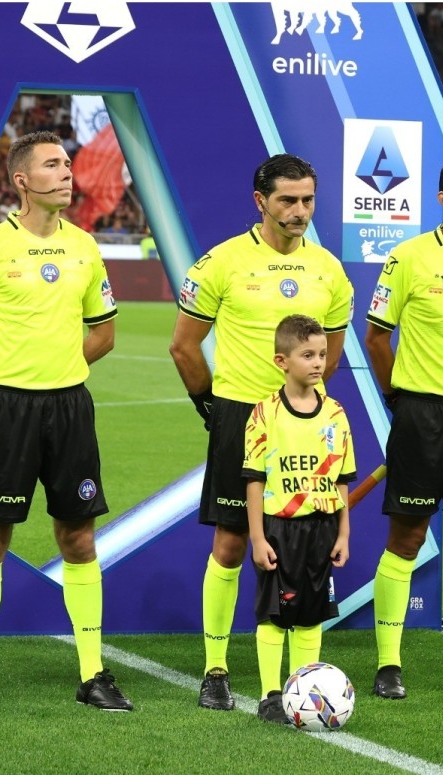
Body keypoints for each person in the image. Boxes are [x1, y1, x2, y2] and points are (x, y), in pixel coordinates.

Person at [0, 130, 132, 712]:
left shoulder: (85, 247)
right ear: (22, 180)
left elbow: (103, 331)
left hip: (70, 406)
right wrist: (15, 368)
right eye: (53, 164)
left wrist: (61, 365)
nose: (68, 171)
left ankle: (94, 674)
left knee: (78, 537)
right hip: (8, 407)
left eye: (68, 162)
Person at [169, 153, 354, 711]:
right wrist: (214, 409)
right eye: (287, 200)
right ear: (261, 202)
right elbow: (183, 346)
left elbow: (332, 356)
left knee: (304, 550)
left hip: (305, 428)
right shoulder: (221, 262)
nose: (300, 211)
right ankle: (216, 668)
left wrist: (303, 408)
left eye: (308, 200)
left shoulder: (330, 269)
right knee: (231, 544)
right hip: (238, 418)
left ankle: (296, 673)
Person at [366, 152, 443, 699]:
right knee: (409, 537)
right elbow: (376, 337)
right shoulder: (409, 258)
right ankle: (389, 664)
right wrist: (400, 397)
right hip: (422, 415)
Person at [243, 315, 355, 724]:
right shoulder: (264, 415)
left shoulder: (336, 415)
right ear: (281, 361)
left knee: (311, 612)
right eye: (307, 354)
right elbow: (254, 482)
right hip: (278, 528)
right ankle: (270, 695)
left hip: (321, 528)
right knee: (275, 614)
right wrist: (257, 538)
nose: (317, 362)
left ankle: (303, 689)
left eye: (322, 354)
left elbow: (342, 478)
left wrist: (343, 531)